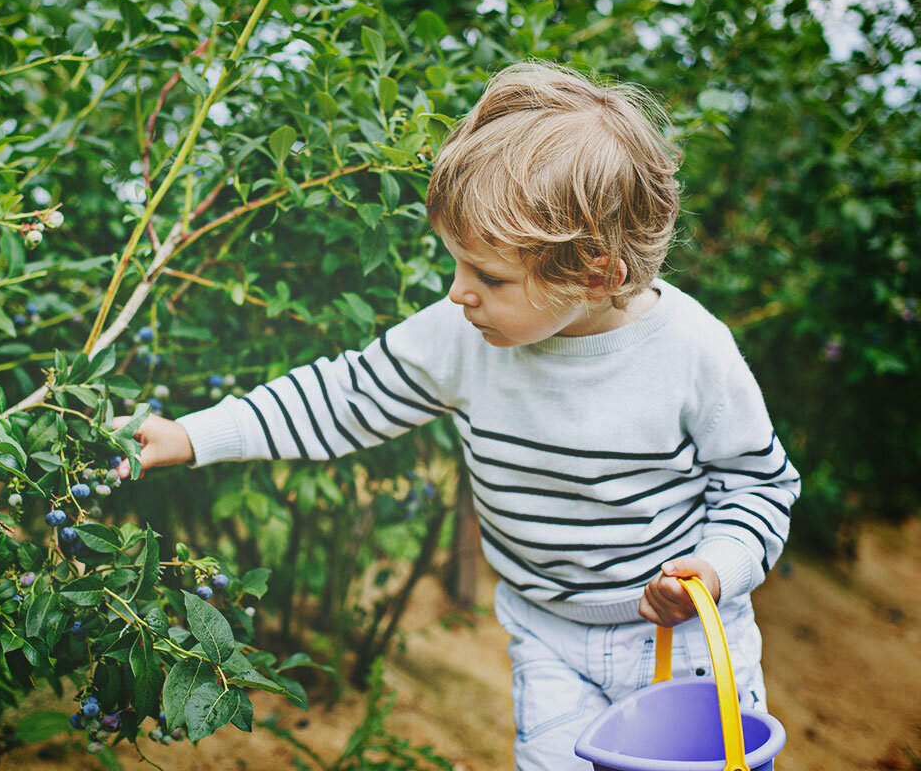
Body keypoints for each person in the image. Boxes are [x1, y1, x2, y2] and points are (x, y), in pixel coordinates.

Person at [112, 61, 799, 770]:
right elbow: (343, 398)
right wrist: (192, 435)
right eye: (457, 265)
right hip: (547, 633)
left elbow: (761, 485)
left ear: (598, 275)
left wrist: (716, 570)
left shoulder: (690, 352)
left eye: (488, 276)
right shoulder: (462, 334)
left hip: (682, 638)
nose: (457, 292)